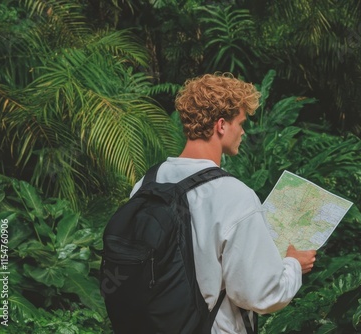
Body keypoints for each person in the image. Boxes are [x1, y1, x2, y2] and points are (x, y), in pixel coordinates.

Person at [130, 73, 317, 333]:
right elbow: (260, 294)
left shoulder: (146, 183)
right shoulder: (234, 196)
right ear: (221, 125)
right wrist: (294, 264)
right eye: (240, 122)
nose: (242, 131)